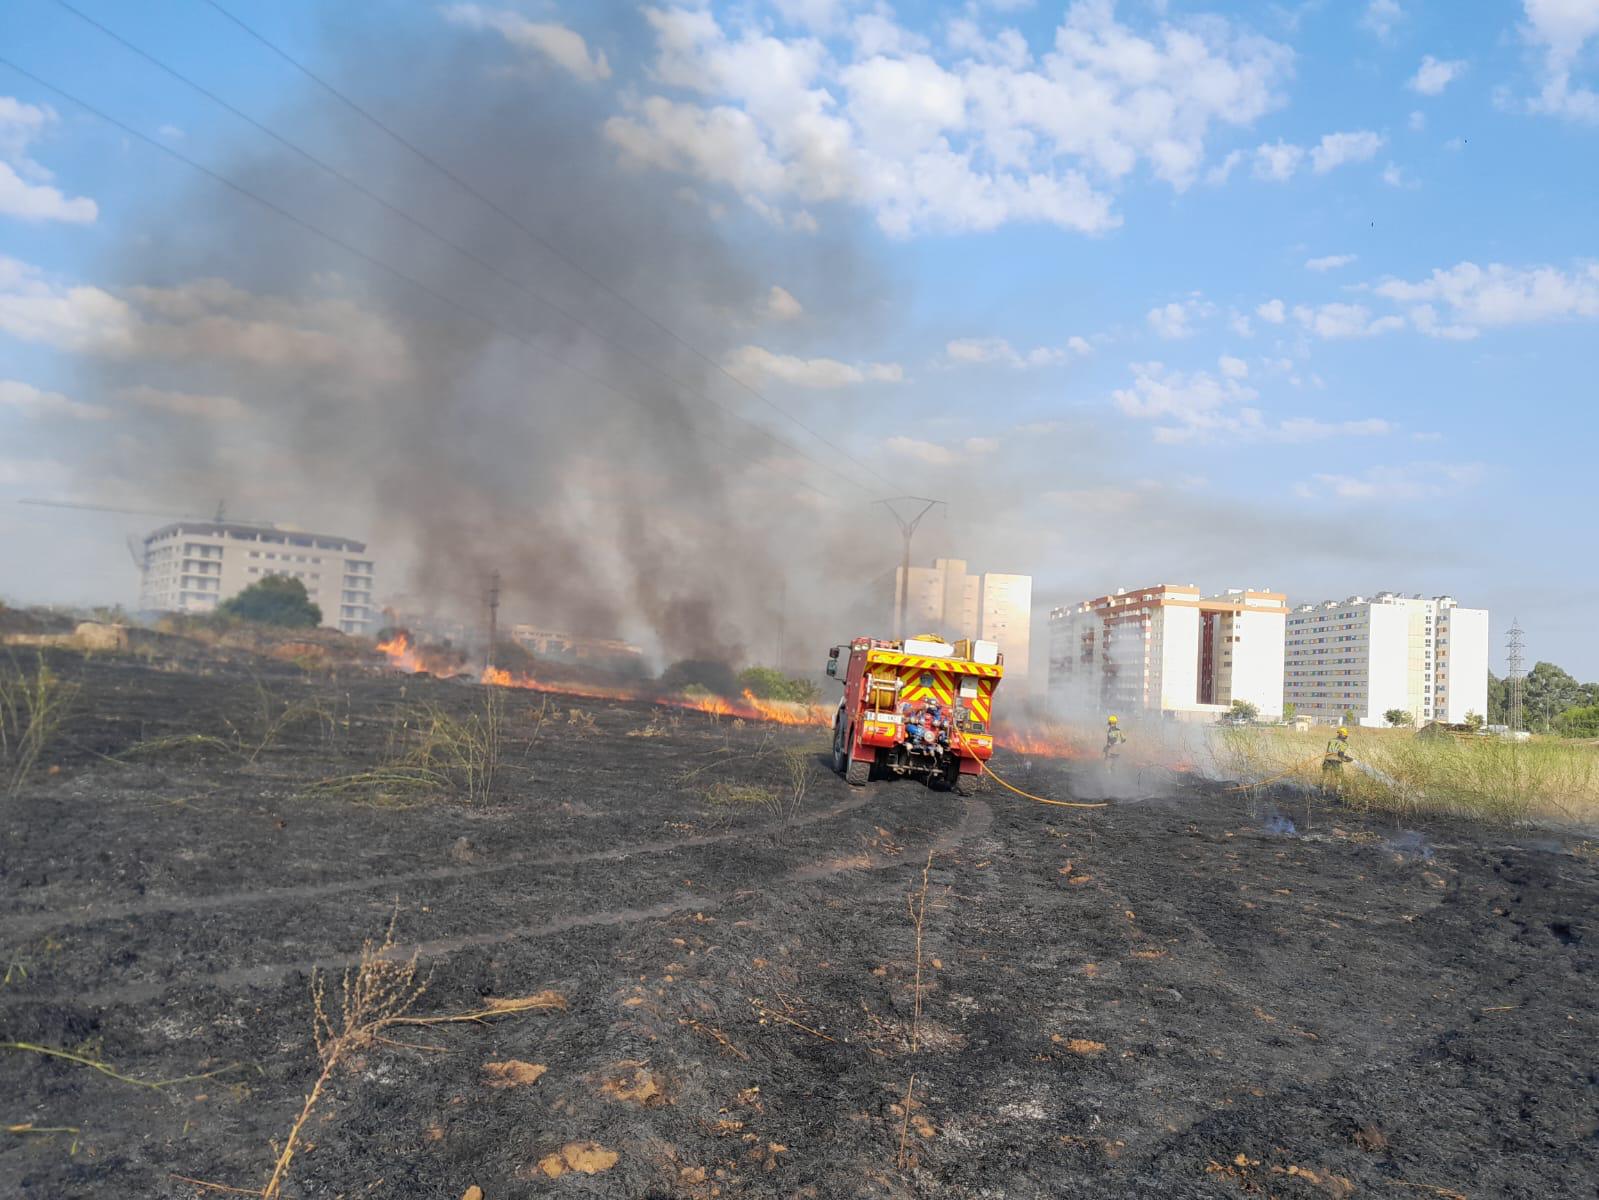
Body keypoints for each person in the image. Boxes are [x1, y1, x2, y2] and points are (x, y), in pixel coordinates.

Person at [1322, 726, 1353, 794]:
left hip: (1327, 760)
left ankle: (1324, 791)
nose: (1346, 737)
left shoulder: (1331, 740)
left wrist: (1344, 756)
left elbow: (1330, 751)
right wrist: (1346, 759)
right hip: (1336, 761)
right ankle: (1339, 792)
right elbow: (1340, 754)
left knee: (1326, 777)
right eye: (1345, 735)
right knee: (1339, 776)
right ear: (1342, 734)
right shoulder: (1344, 743)